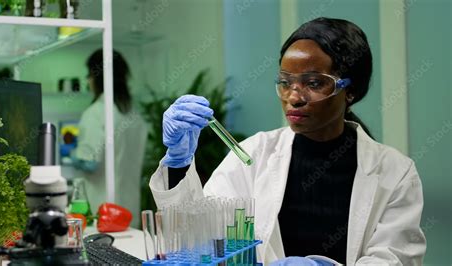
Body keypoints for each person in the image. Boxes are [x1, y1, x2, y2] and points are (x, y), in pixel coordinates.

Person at [149, 18, 426, 265]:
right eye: (285, 82)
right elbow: (200, 238)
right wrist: (179, 163)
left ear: (350, 90)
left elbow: (395, 258)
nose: (294, 96)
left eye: (314, 83)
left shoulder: (395, 172)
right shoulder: (254, 153)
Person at [72, 49, 148, 228]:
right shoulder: (134, 115)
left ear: (97, 76)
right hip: (129, 212)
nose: (88, 81)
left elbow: (90, 162)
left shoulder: (96, 113)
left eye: (89, 75)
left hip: (103, 212)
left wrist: (74, 155)